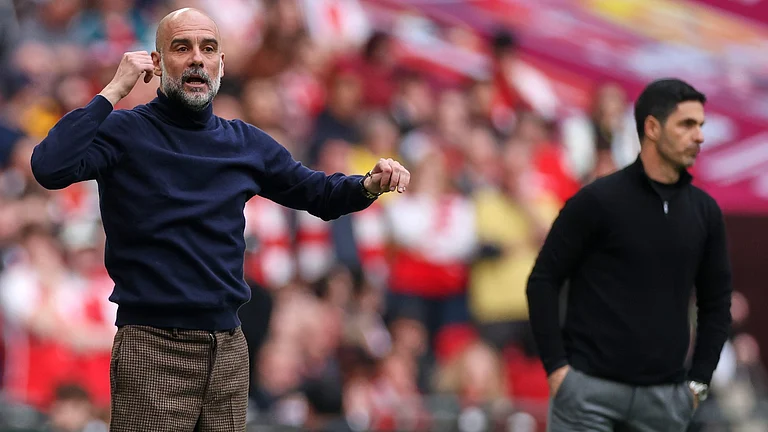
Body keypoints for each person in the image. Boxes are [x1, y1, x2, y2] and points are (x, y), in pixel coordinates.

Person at [29, 8, 410, 432]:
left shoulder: (244, 142)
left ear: (221, 65)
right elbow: (49, 166)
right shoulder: (125, 132)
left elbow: (317, 193)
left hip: (228, 347)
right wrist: (115, 89)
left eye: (208, 48)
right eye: (181, 47)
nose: (197, 58)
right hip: (153, 345)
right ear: (155, 63)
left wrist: (368, 186)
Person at [526, 78, 732, 432]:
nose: (698, 136)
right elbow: (543, 281)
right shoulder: (596, 201)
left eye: (700, 125)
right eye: (686, 124)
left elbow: (716, 304)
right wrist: (558, 370)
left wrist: (697, 383)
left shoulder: (705, 212)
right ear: (651, 128)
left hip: (664, 402)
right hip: (587, 396)